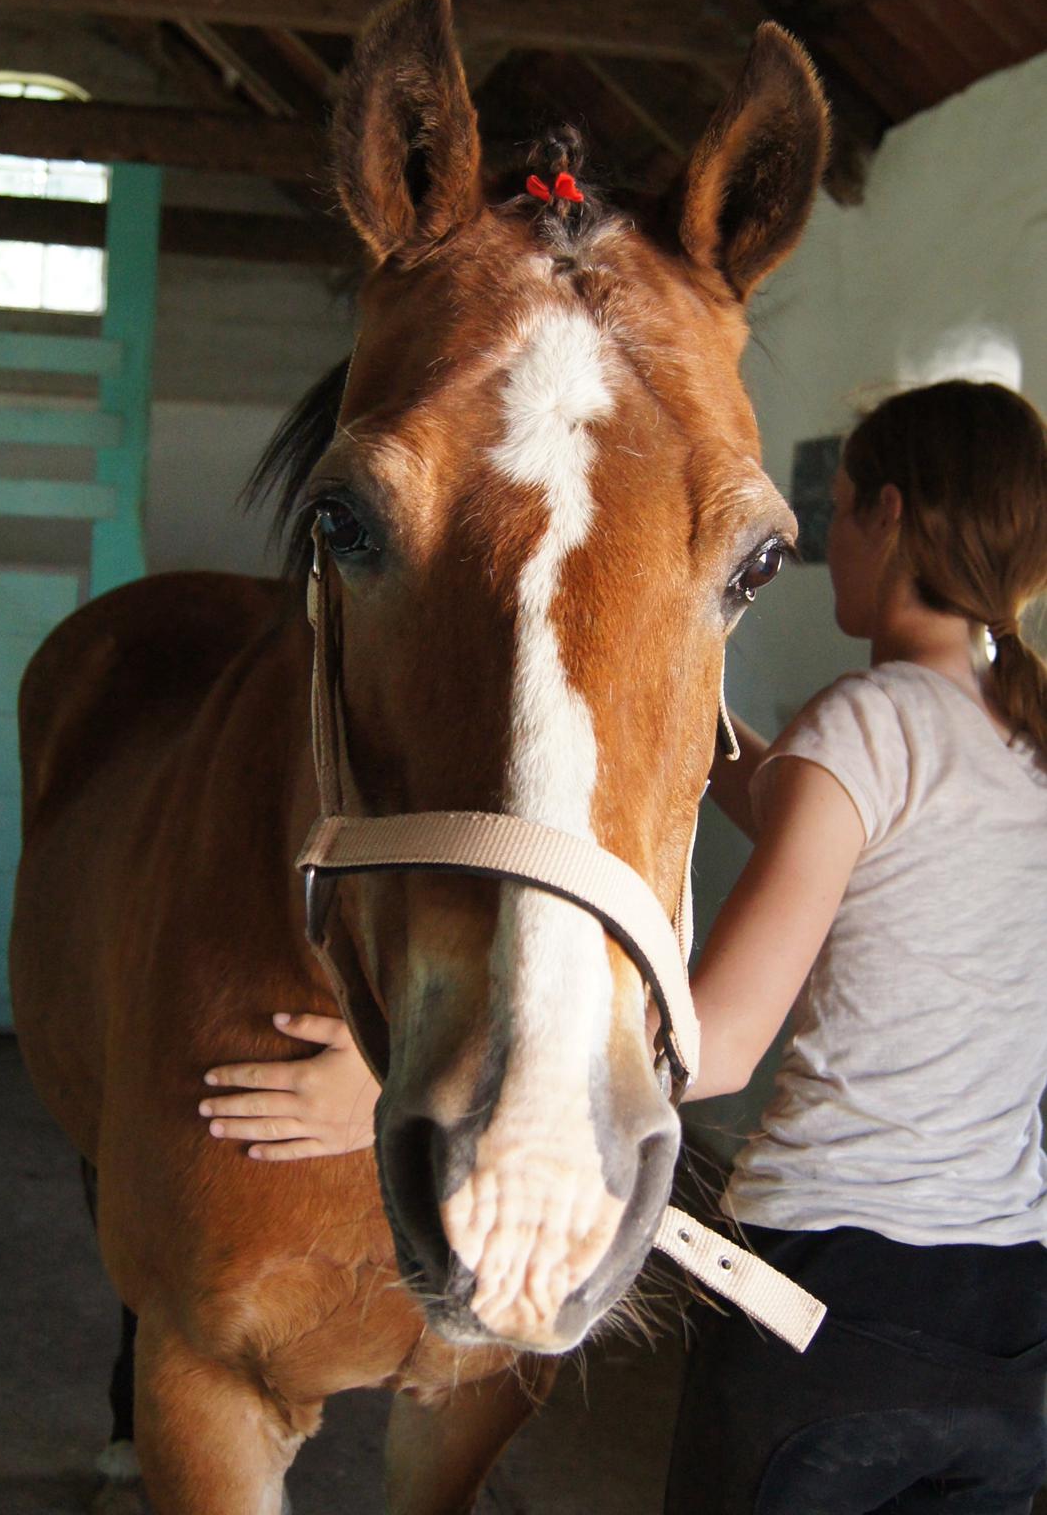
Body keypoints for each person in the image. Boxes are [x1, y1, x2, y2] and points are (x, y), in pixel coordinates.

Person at [199, 379, 1047, 1513]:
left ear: (888, 514)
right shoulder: (1019, 731)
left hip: (836, 1310)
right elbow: (790, 800)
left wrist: (395, 1070)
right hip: (1013, 1323)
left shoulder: (864, 725)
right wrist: (637, 673)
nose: (828, 541)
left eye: (837, 508)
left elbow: (721, 1047)